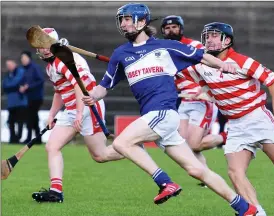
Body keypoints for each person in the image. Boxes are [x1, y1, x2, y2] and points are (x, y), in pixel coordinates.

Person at [82, 3, 257, 215]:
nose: (124, 24)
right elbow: (104, 87)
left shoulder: (166, 47)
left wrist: (223, 65)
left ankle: (165, 182)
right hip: (154, 118)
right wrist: (92, 96)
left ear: (143, 21)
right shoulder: (120, 55)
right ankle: (244, 208)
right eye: (121, 20)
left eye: (128, 19)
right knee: (196, 170)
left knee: (121, 142)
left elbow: (201, 56)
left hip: (163, 112)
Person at [179, 22, 274, 216]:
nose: (208, 39)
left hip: (258, 119)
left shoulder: (243, 61)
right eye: (206, 36)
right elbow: (185, 74)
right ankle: (258, 213)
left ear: (227, 40)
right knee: (235, 173)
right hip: (235, 125)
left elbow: (272, 79)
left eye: (213, 35)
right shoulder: (202, 65)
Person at [31, 28, 124, 203]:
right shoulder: (51, 65)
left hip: (88, 105)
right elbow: (59, 91)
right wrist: (52, 114)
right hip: (72, 109)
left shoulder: (64, 60)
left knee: (100, 155)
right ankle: (55, 192)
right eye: (39, 45)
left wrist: (80, 113)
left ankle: (132, 147)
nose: (42, 49)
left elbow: (79, 86)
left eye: (44, 44)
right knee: (52, 146)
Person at [160, 15, 226, 187]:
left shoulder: (195, 46)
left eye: (174, 27)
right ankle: (206, 178)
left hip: (203, 100)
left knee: (195, 145)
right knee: (183, 145)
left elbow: (212, 68)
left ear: (181, 29)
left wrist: (204, 89)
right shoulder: (163, 53)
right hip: (185, 102)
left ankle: (228, 136)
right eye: (167, 28)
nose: (171, 30)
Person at [20, 51, 45, 144]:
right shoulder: (24, 69)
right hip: (28, 97)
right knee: (34, 118)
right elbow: (22, 81)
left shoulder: (34, 68)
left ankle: (29, 138)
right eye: (22, 58)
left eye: (24, 58)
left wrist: (28, 86)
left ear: (29, 58)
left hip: (36, 97)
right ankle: (38, 138)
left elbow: (40, 80)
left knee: (31, 117)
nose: (23, 60)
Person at [2, 59, 28, 143]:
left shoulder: (20, 72)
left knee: (20, 121)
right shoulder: (7, 75)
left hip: (20, 102)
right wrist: (16, 87)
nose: (9, 67)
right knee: (11, 121)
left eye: (10, 64)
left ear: (15, 64)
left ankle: (18, 137)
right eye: (7, 65)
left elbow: (14, 83)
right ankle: (12, 138)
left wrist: (12, 86)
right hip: (11, 103)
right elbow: (5, 86)